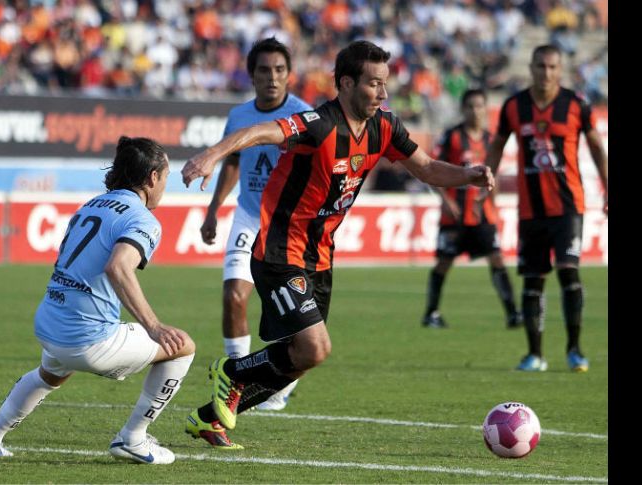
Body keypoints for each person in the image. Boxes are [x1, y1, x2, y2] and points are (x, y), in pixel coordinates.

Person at [181, 40, 494, 446]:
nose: (382, 93)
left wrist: (468, 174)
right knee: (314, 348)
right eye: (373, 84)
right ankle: (233, 371)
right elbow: (259, 131)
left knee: (298, 360)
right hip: (280, 251)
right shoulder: (318, 123)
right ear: (346, 83)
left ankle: (210, 418)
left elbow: (429, 169)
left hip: (321, 257)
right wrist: (211, 155)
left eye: (385, 84)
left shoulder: (385, 126)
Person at [0, 137, 196, 464]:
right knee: (182, 346)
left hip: (50, 323)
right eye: (166, 177)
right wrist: (154, 326)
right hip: (90, 340)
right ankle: (133, 438)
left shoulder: (92, 205)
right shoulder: (142, 218)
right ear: (152, 178)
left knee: (49, 375)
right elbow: (118, 267)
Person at [197, 38, 311, 421]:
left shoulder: (304, 115)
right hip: (248, 215)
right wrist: (213, 211)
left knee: (289, 311)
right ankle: (237, 380)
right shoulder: (239, 116)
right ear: (251, 75)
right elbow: (232, 162)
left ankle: (282, 379)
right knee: (233, 295)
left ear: (289, 75)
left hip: (290, 223)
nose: (273, 78)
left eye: (280, 70)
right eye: (264, 70)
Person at [483, 44, 608, 372]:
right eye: (540, 66)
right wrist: (487, 182)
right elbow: (496, 145)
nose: (546, 73)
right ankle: (535, 355)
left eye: (552, 67)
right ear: (531, 67)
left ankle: (575, 350)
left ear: (560, 69)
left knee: (569, 271)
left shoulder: (576, 105)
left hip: (568, 206)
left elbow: (596, 147)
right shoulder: (514, 106)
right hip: (531, 211)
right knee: (533, 281)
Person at [422, 88, 523, 330]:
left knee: (497, 259)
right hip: (455, 214)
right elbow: (433, 170)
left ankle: (512, 313)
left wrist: (494, 206)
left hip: (483, 215)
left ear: (485, 109)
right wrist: (446, 200)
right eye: (470, 106)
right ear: (463, 109)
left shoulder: (492, 140)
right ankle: (431, 313)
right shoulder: (452, 137)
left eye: (479, 106)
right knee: (443, 263)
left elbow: (493, 176)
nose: (475, 111)